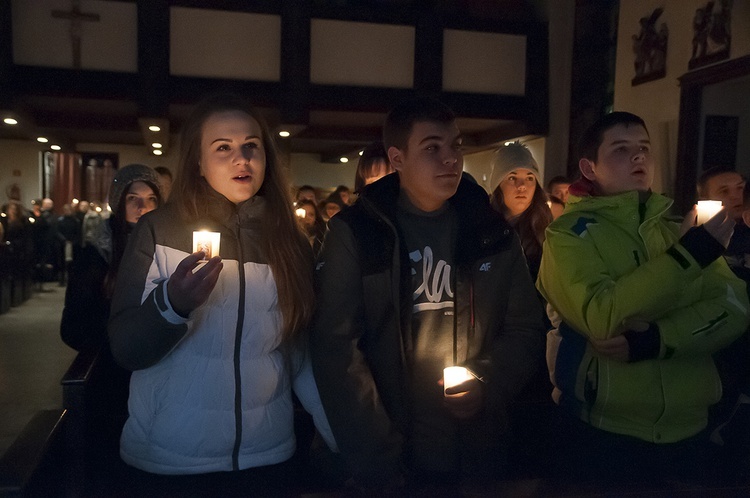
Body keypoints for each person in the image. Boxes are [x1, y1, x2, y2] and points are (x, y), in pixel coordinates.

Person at [311, 96, 545, 493]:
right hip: (391, 446)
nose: (450, 159)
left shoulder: (489, 230)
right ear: (398, 158)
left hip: (475, 448)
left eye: (455, 146)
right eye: (432, 148)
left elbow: (525, 326)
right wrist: (376, 455)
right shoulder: (359, 232)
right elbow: (337, 348)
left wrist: (486, 380)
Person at [107, 94, 335, 494]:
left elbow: (298, 352)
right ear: (197, 160)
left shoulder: (289, 241)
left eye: (252, 146)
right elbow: (126, 347)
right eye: (223, 148)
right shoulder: (159, 231)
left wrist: (341, 437)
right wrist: (171, 304)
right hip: (170, 460)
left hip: (268, 457)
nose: (241, 158)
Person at [538, 111, 749, 485]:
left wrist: (657, 339)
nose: (638, 158)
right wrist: (686, 260)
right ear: (590, 167)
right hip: (605, 434)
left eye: (644, 149)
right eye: (621, 149)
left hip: (691, 429)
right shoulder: (569, 235)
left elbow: (733, 309)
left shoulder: (676, 230)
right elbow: (602, 316)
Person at [60, 164, 161, 352]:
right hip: (110, 360)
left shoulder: (165, 247)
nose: (143, 207)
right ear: (118, 202)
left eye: (151, 199)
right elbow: (73, 327)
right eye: (132, 198)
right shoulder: (96, 253)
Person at [489, 141, 553, 283]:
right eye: (512, 178)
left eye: (530, 178)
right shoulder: (480, 225)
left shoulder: (548, 230)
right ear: (498, 184)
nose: (522, 186)